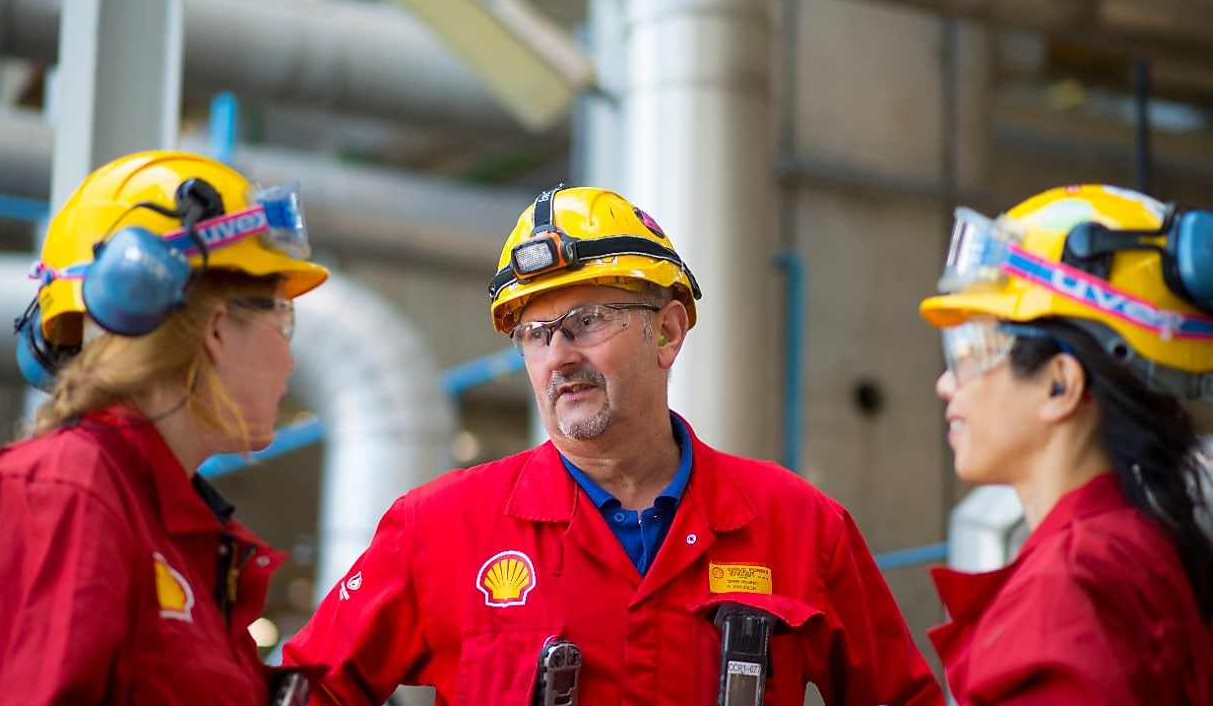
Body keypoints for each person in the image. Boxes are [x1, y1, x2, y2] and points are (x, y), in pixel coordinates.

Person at [283, 185, 942, 704]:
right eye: (536, 333)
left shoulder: (801, 528)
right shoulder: (439, 529)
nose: (558, 355)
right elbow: (312, 689)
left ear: (669, 332)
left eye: (587, 321)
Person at [0, 150, 330, 703]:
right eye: (282, 318)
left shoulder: (163, 525)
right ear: (216, 327)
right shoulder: (61, 491)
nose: (289, 361)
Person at [919, 184, 1213, 704]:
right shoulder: (1144, 551)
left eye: (970, 349)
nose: (946, 382)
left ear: (1060, 383)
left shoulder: (1069, 589)